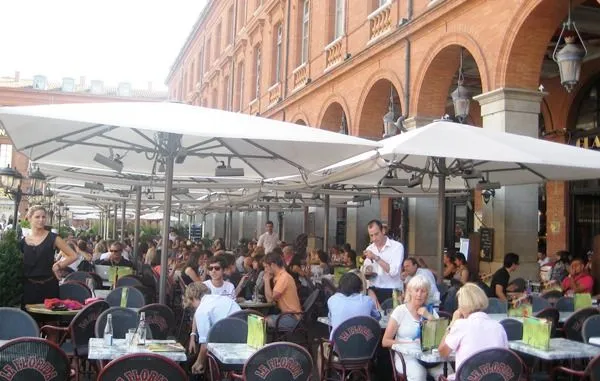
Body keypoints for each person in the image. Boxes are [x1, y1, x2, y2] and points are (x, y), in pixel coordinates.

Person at [438, 283, 508, 380]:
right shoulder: (499, 327)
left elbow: (442, 352)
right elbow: (505, 359)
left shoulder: (460, 325)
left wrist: (452, 323)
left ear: (461, 306)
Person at [382, 275, 443, 381]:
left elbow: (441, 338)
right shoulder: (400, 311)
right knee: (418, 374)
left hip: (428, 357)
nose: (419, 294)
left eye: (423, 291)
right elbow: (385, 341)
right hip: (406, 357)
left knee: (446, 372)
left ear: (427, 294)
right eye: (416, 290)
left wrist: (429, 316)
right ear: (410, 291)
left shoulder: (430, 311)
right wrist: (408, 344)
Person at [20, 205, 78, 305]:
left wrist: (58, 265)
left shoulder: (53, 238)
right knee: (29, 318)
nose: (41, 220)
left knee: (49, 319)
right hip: (29, 287)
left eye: (43, 217)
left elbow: (73, 255)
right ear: (29, 218)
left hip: (49, 286)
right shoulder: (23, 242)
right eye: (37, 217)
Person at [185, 282, 241, 374]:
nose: (193, 307)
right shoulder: (224, 299)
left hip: (227, 349)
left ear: (193, 298)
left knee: (196, 361)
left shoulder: (201, 310)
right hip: (245, 341)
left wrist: (199, 362)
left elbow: (205, 344)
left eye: (191, 304)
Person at [362, 219, 404, 304]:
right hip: (374, 290)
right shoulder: (369, 248)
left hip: (392, 290)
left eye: (376, 234)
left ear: (383, 231)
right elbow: (367, 271)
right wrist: (367, 270)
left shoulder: (397, 247)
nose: (374, 238)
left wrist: (376, 258)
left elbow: (393, 272)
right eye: (371, 235)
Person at [327, 272, 381, 339]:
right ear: (360, 287)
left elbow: (330, 319)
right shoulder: (367, 300)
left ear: (340, 286)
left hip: (338, 345)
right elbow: (377, 318)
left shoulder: (332, 299)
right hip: (365, 344)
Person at [263, 252, 303, 330]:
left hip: (292, 317)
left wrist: (266, 280)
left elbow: (270, 300)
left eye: (266, 267)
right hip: (287, 315)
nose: (265, 270)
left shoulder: (283, 278)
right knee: (260, 319)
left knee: (260, 322)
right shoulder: (281, 276)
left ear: (273, 265)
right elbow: (271, 300)